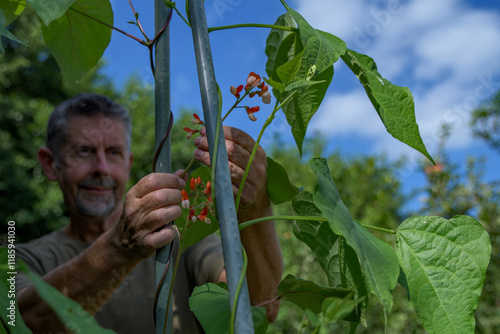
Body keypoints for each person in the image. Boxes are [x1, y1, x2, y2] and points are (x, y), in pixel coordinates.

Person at [15, 93, 283, 333]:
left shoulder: (181, 235)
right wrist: (119, 248)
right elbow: (19, 323)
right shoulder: (20, 256)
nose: (102, 168)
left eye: (114, 152)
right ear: (49, 164)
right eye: (83, 151)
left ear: (128, 163)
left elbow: (259, 305)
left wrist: (254, 205)